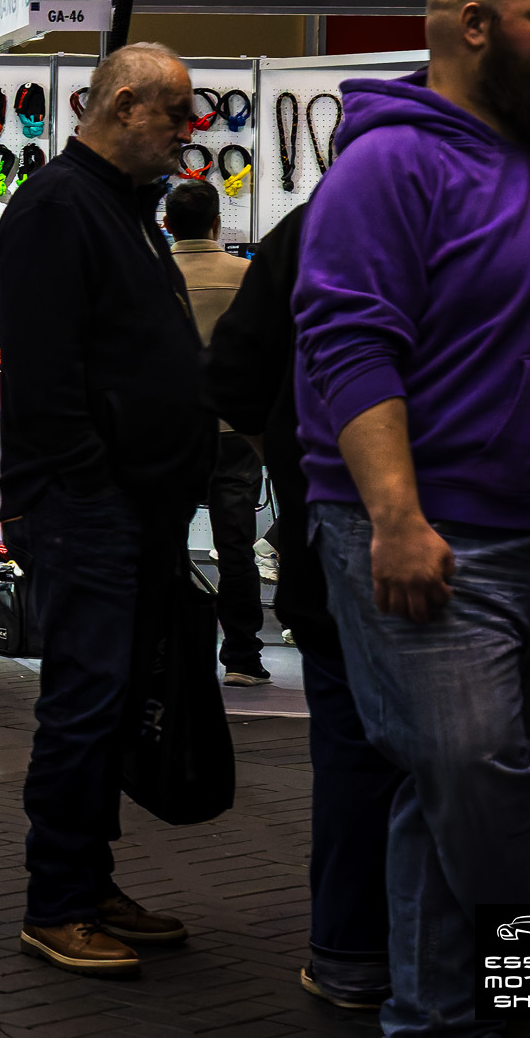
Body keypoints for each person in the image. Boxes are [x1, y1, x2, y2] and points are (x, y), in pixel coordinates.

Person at [295, 0, 530, 1034]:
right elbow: (349, 342)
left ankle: (463, 1018)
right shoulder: (388, 166)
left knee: (477, 799)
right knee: (478, 771)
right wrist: (395, 516)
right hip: (439, 532)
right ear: (473, 25)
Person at [0, 41, 210, 978]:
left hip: (132, 504)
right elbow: (48, 377)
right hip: (89, 507)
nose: (186, 134)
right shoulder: (57, 207)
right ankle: (57, 900)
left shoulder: (125, 208)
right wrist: (93, 483)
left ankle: (90, 878)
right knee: (83, 702)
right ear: (124, 104)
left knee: (114, 699)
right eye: (176, 114)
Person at [205, 201, 399, 1012]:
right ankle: (520, 986)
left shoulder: (333, 214)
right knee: (509, 769)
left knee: (388, 757)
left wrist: (292, 458)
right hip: (524, 539)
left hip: (368, 534)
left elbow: (236, 374)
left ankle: (365, 957)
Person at [161, 179, 267, 687]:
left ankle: (167, 648)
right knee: (236, 546)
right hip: (236, 431)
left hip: (170, 432)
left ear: (166, 225)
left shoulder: (149, 276)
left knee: (164, 543)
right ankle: (243, 656)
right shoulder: (250, 277)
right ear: (217, 224)